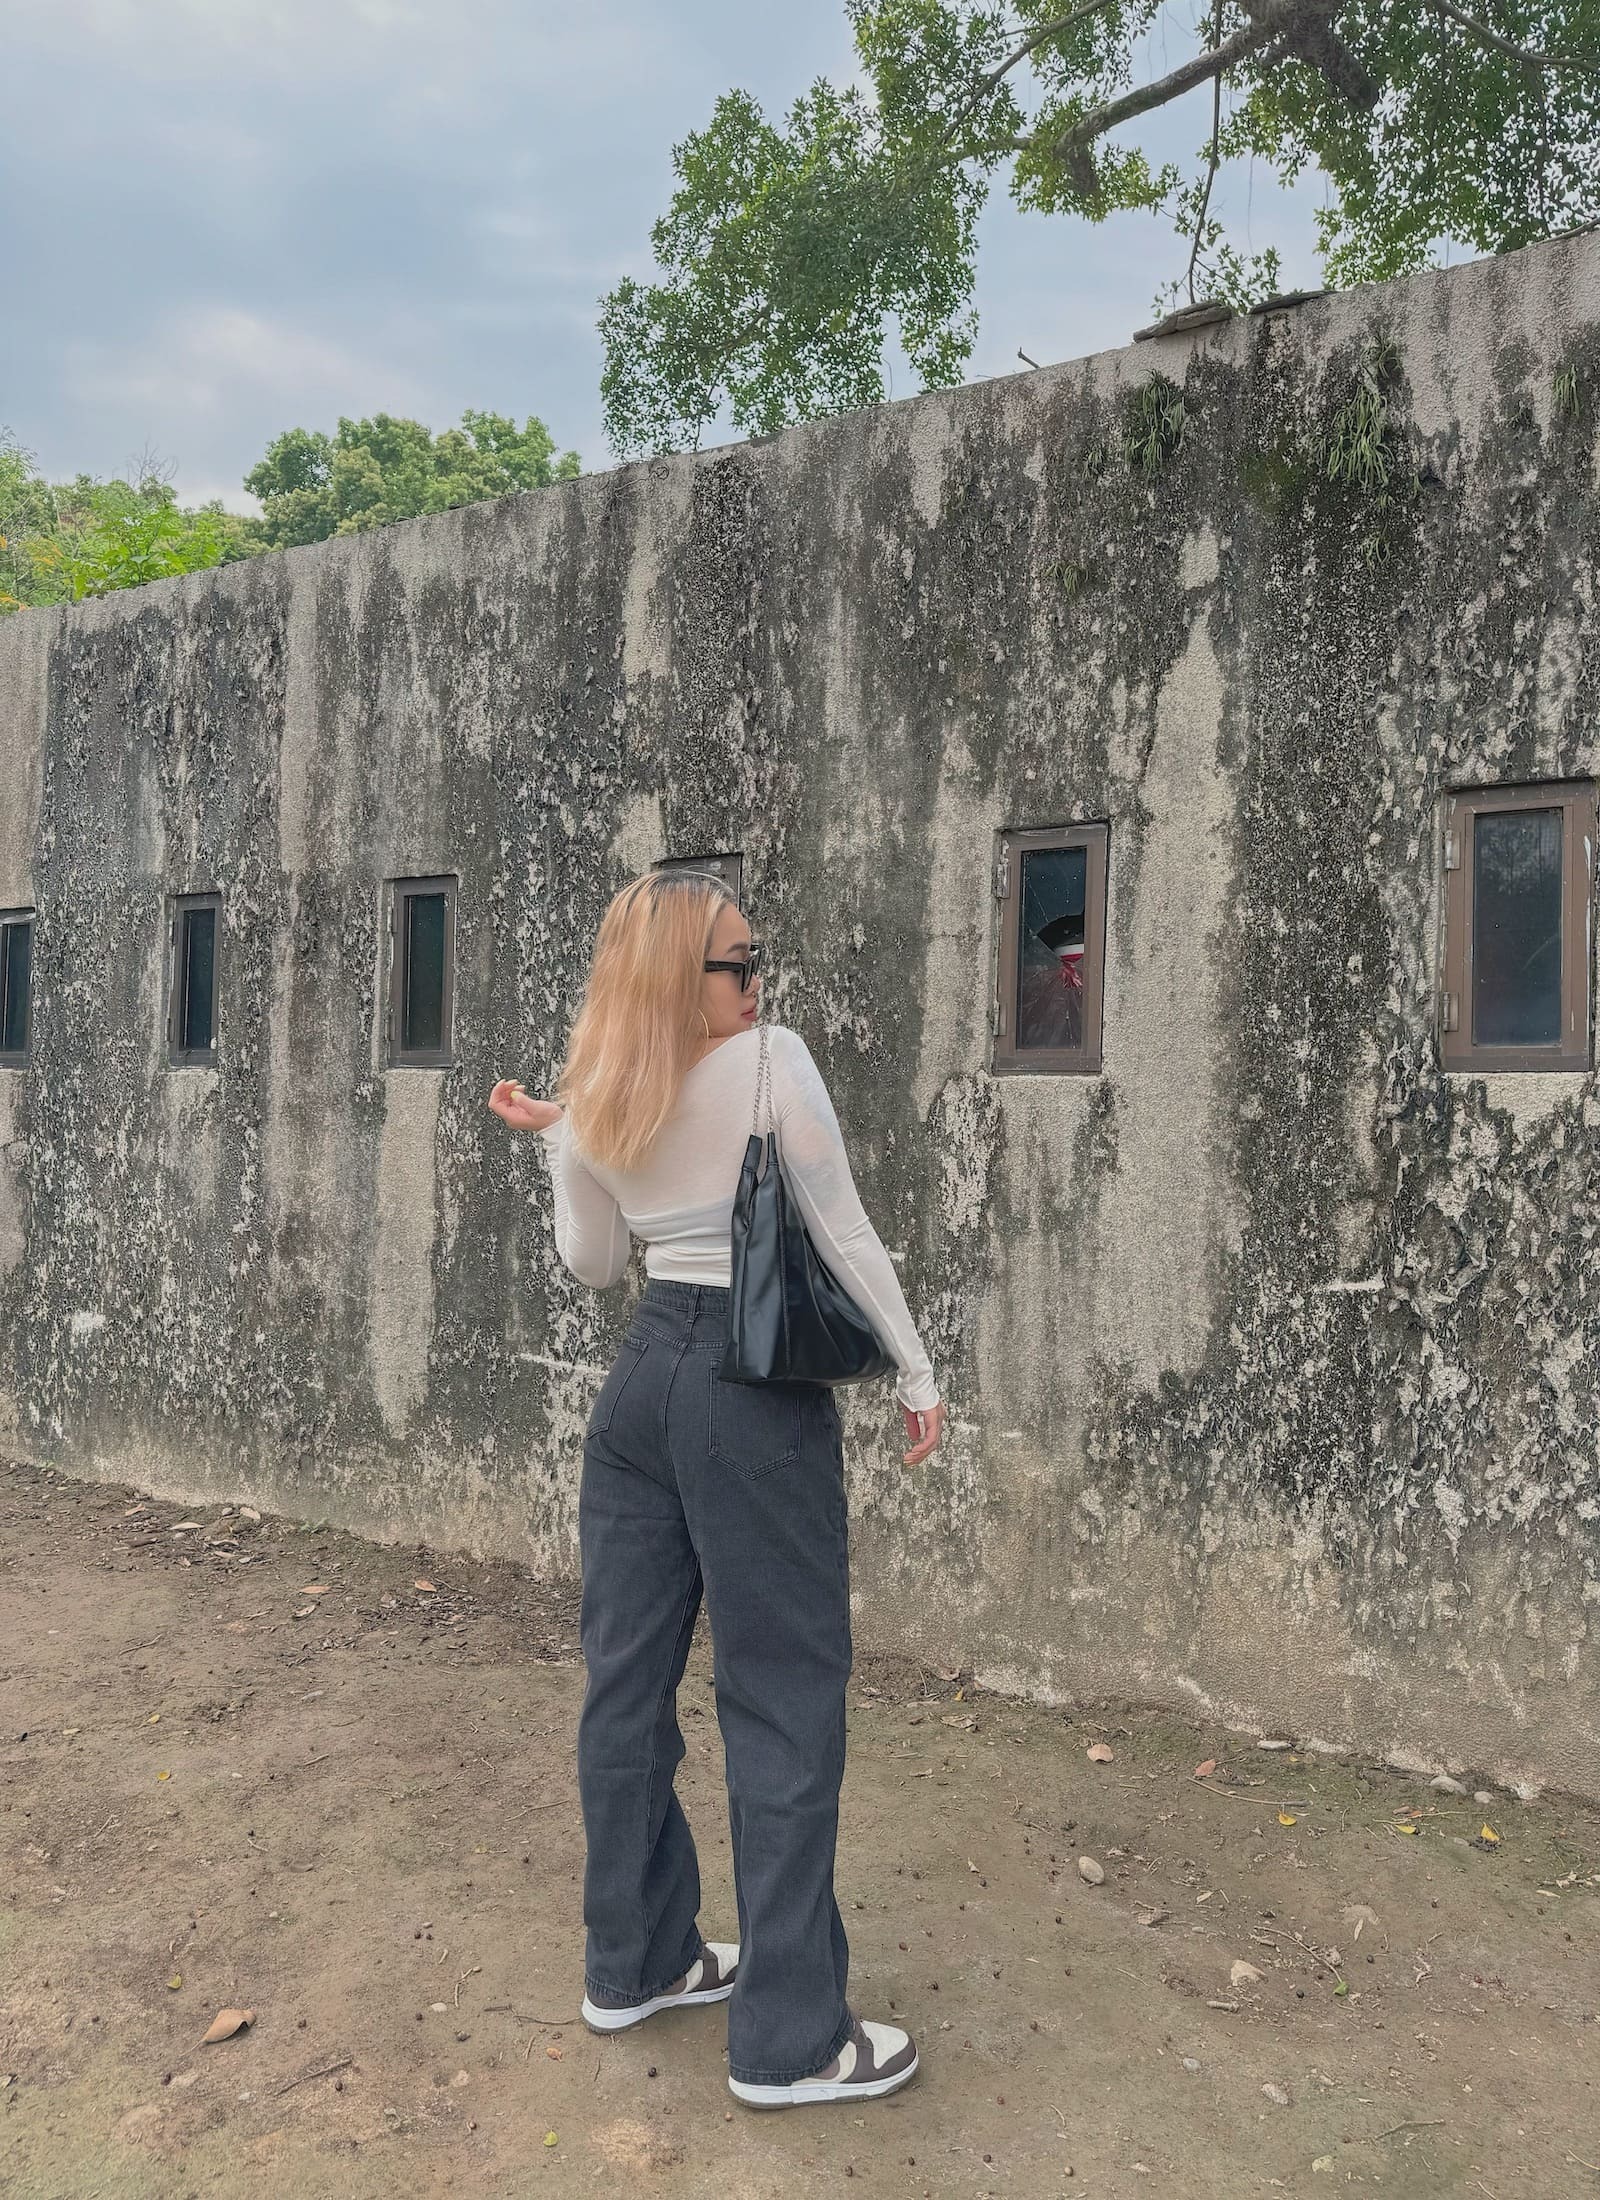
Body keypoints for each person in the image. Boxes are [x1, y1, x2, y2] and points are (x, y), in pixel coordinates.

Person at [486, 866, 945, 2110]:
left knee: (625, 1685)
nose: (757, 983)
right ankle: (790, 2041)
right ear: (680, 977)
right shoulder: (770, 1065)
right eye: (738, 963)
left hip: (640, 1387)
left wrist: (561, 1144)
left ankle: (634, 1961)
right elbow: (841, 1228)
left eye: (754, 962)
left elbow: (594, 1265)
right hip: (749, 1394)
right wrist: (914, 1372)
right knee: (783, 1698)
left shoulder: (597, 1092)